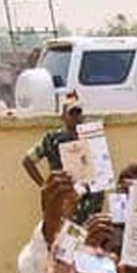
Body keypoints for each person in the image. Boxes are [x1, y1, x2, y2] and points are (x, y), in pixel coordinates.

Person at [21, 92, 103, 223]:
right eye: (72, 113)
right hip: (64, 203)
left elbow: (101, 166)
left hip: (90, 204)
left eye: (78, 112)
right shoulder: (51, 139)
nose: (76, 117)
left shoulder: (91, 137)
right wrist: (44, 186)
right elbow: (27, 161)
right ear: (63, 117)